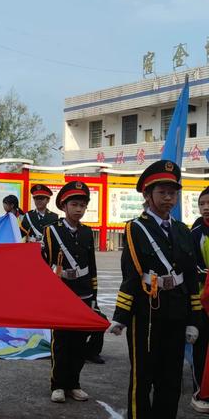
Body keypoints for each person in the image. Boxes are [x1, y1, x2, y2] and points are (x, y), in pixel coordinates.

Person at [109, 160, 201, 419]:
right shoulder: (135, 229)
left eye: (172, 193)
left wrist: (194, 320)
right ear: (147, 195)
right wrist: (120, 316)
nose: (168, 199)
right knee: (143, 378)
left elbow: (191, 279)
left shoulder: (183, 231)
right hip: (147, 314)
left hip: (177, 313)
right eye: (162, 193)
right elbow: (130, 275)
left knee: (171, 379)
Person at [42, 181, 97, 404]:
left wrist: (93, 296)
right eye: (74, 204)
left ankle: (74, 383)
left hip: (83, 293)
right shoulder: (51, 231)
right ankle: (57, 384)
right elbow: (44, 264)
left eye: (82, 205)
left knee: (78, 343)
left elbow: (92, 266)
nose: (78, 209)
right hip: (62, 293)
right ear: (64, 206)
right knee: (61, 342)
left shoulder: (86, 232)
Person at [189, 186, 209, 414]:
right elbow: (190, 267)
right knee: (201, 347)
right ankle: (199, 391)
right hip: (202, 302)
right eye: (202, 204)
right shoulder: (194, 235)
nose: (205, 208)